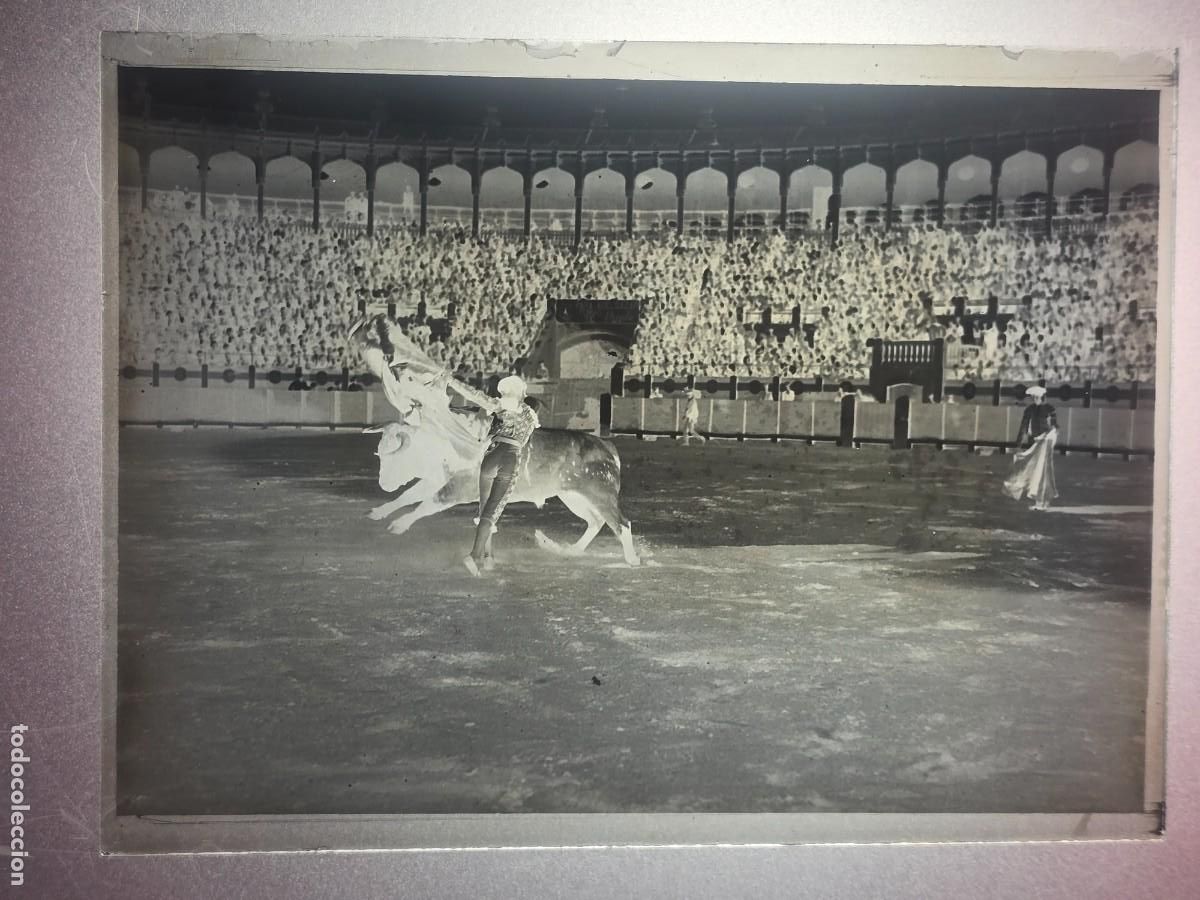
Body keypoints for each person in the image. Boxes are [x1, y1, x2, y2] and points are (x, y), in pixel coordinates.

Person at [444, 374, 540, 576]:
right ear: (520, 392)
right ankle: (475, 556)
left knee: (483, 508)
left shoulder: (500, 406)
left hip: (491, 455)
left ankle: (488, 557)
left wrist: (451, 381)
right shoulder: (530, 414)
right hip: (510, 457)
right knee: (491, 512)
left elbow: (476, 397)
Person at [1003, 385, 1059, 510]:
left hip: (1045, 444)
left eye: (1037, 397)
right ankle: (1038, 500)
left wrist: (1048, 437)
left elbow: (1055, 427)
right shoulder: (1030, 410)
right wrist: (1018, 444)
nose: (1035, 399)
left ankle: (1043, 501)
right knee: (1032, 470)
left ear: (1042, 397)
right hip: (1033, 442)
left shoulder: (1049, 409)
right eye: (1033, 397)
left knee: (1044, 472)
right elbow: (1023, 427)